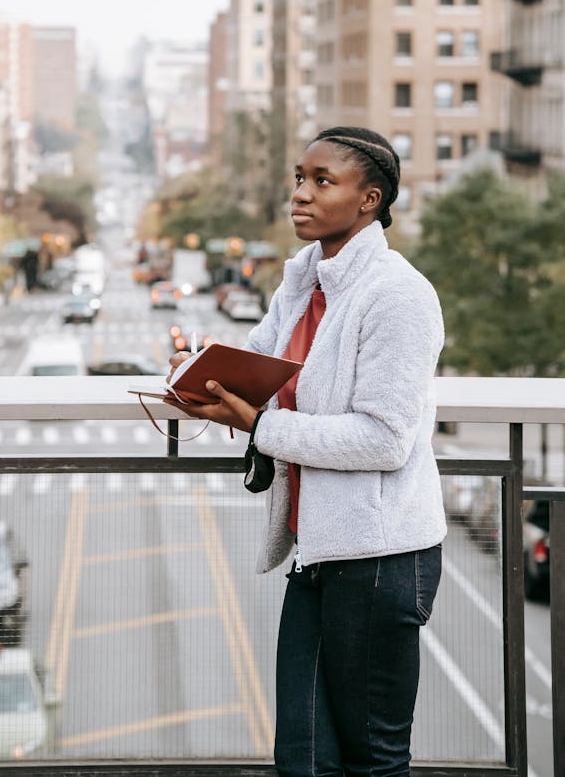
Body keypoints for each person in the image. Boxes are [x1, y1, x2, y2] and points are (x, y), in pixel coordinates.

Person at [166, 126, 446, 777]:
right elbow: (262, 365)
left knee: (373, 759)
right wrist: (200, 370)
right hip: (319, 553)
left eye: (323, 181)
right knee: (303, 757)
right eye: (299, 177)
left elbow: (382, 437)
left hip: (380, 560)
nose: (300, 193)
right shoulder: (304, 279)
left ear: (369, 198)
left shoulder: (398, 295)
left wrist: (261, 426)